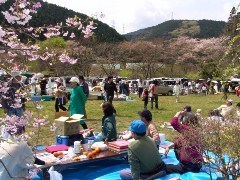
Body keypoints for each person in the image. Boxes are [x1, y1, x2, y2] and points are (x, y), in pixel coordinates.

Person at [164, 110, 203, 175]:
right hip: (196, 165)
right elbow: (179, 140)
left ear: (187, 121)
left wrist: (178, 113)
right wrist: (169, 146)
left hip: (189, 166)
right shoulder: (194, 130)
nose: (181, 122)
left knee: (165, 168)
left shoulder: (189, 130)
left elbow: (173, 123)